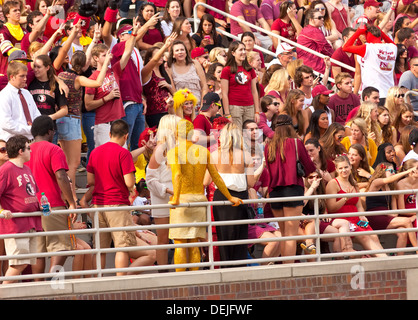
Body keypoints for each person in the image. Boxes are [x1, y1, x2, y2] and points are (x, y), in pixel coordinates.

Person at [168, 120, 243, 271]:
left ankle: (181, 281)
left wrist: (175, 198)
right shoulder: (204, 152)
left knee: (180, 245)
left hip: (182, 200)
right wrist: (230, 197)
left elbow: (177, 175)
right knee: (194, 244)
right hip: (199, 200)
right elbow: (216, 177)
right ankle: (196, 278)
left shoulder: (174, 152)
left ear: (176, 134)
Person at [26, 115, 77, 277]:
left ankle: (39, 290)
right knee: (60, 247)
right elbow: (61, 176)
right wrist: (71, 203)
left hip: (32, 208)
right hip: (52, 205)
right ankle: (52, 280)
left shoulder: (25, 150)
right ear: (50, 132)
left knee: (38, 252)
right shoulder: (54, 149)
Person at [86, 119, 137, 276]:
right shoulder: (123, 153)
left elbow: (90, 181)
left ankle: (98, 282)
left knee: (100, 249)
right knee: (122, 247)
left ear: (109, 134)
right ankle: (120, 285)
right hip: (117, 205)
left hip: (98, 205)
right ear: (126, 136)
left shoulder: (95, 152)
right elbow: (129, 182)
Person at [265, 114, 316, 263]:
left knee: (284, 233)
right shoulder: (295, 143)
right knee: (291, 235)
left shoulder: (269, 145)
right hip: (293, 189)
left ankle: (284, 268)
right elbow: (309, 169)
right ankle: (289, 269)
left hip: (274, 191)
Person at [325, 154, 387, 258]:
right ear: (336, 169)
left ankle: (381, 261)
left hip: (356, 218)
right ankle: (385, 260)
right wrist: (345, 199)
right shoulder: (333, 183)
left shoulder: (353, 183)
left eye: (346, 167)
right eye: (340, 168)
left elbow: (359, 205)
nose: (343, 170)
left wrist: (362, 215)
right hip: (342, 219)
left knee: (374, 236)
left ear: (350, 167)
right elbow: (331, 208)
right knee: (364, 237)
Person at [0, 135, 43, 284]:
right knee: (18, 264)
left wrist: (40, 205)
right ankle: (3, 292)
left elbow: (31, 192)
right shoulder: (5, 170)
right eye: (28, 148)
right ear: (20, 151)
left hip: (30, 222)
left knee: (24, 263)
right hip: (16, 225)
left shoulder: (26, 169)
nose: (30, 151)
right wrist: (1, 211)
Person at [146, 114, 181, 271]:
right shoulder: (160, 149)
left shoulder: (180, 148)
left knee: (182, 237)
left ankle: (182, 269)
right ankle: (163, 272)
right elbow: (150, 179)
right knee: (163, 239)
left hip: (178, 198)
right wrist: (167, 190)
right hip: (163, 200)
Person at [366, 162, 418, 255]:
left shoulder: (391, 188)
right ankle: (417, 249)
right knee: (407, 221)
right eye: (390, 171)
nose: (393, 173)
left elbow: (394, 212)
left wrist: (412, 216)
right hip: (374, 216)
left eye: (394, 170)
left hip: (386, 217)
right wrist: (408, 171)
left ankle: (399, 259)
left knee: (403, 232)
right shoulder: (376, 182)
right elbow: (389, 179)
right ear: (382, 171)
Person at [343, 24, 397, 105]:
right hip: (390, 94)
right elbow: (391, 42)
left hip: (373, 95)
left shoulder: (368, 48)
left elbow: (345, 47)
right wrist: (380, 32)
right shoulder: (393, 47)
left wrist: (357, 32)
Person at [220, 41, 260, 129]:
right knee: (237, 135)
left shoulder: (250, 70)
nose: (244, 52)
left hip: (250, 107)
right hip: (234, 107)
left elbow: (254, 91)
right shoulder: (226, 70)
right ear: (233, 53)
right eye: (240, 50)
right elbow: (224, 93)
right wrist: (227, 114)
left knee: (249, 136)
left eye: (244, 49)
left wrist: (257, 111)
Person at [141, 34, 177, 128]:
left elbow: (175, 93)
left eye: (162, 55)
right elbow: (154, 61)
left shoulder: (164, 71)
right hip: (154, 113)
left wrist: (168, 86)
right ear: (149, 58)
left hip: (169, 110)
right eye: (158, 55)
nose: (161, 57)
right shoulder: (147, 72)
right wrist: (165, 46)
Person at [0, 60, 41, 142]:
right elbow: (6, 123)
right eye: (22, 76)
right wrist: (30, 129)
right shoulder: (4, 95)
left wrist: (38, 126)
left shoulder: (26, 93)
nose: (25, 79)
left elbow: (36, 114)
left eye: (26, 76)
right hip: (13, 141)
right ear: (12, 77)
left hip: (31, 140)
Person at [167, 40, 207, 109]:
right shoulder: (170, 68)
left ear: (186, 52)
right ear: (173, 55)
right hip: (182, 107)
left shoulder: (195, 64)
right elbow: (174, 92)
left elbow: (204, 86)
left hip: (199, 105)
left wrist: (203, 105)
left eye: (182, 50)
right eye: (177, 50)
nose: (180, 52)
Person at [296, 8, 334, 74]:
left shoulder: (306, 29)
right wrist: (336, 57)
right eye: (319, 18)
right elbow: (326, 48)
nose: (322, 19)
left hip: (307, 65)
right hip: (315, 66)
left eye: (322, 17)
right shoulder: (314, 31)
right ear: (311, 20)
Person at [0, 0, 28, 74]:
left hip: (23, 71)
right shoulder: (3, 30)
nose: (18, 12)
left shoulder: (25, 31)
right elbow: (7, 49)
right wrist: (23, 55)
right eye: (15, 10)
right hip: (6, 72)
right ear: (7, 14)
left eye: (19, 10)